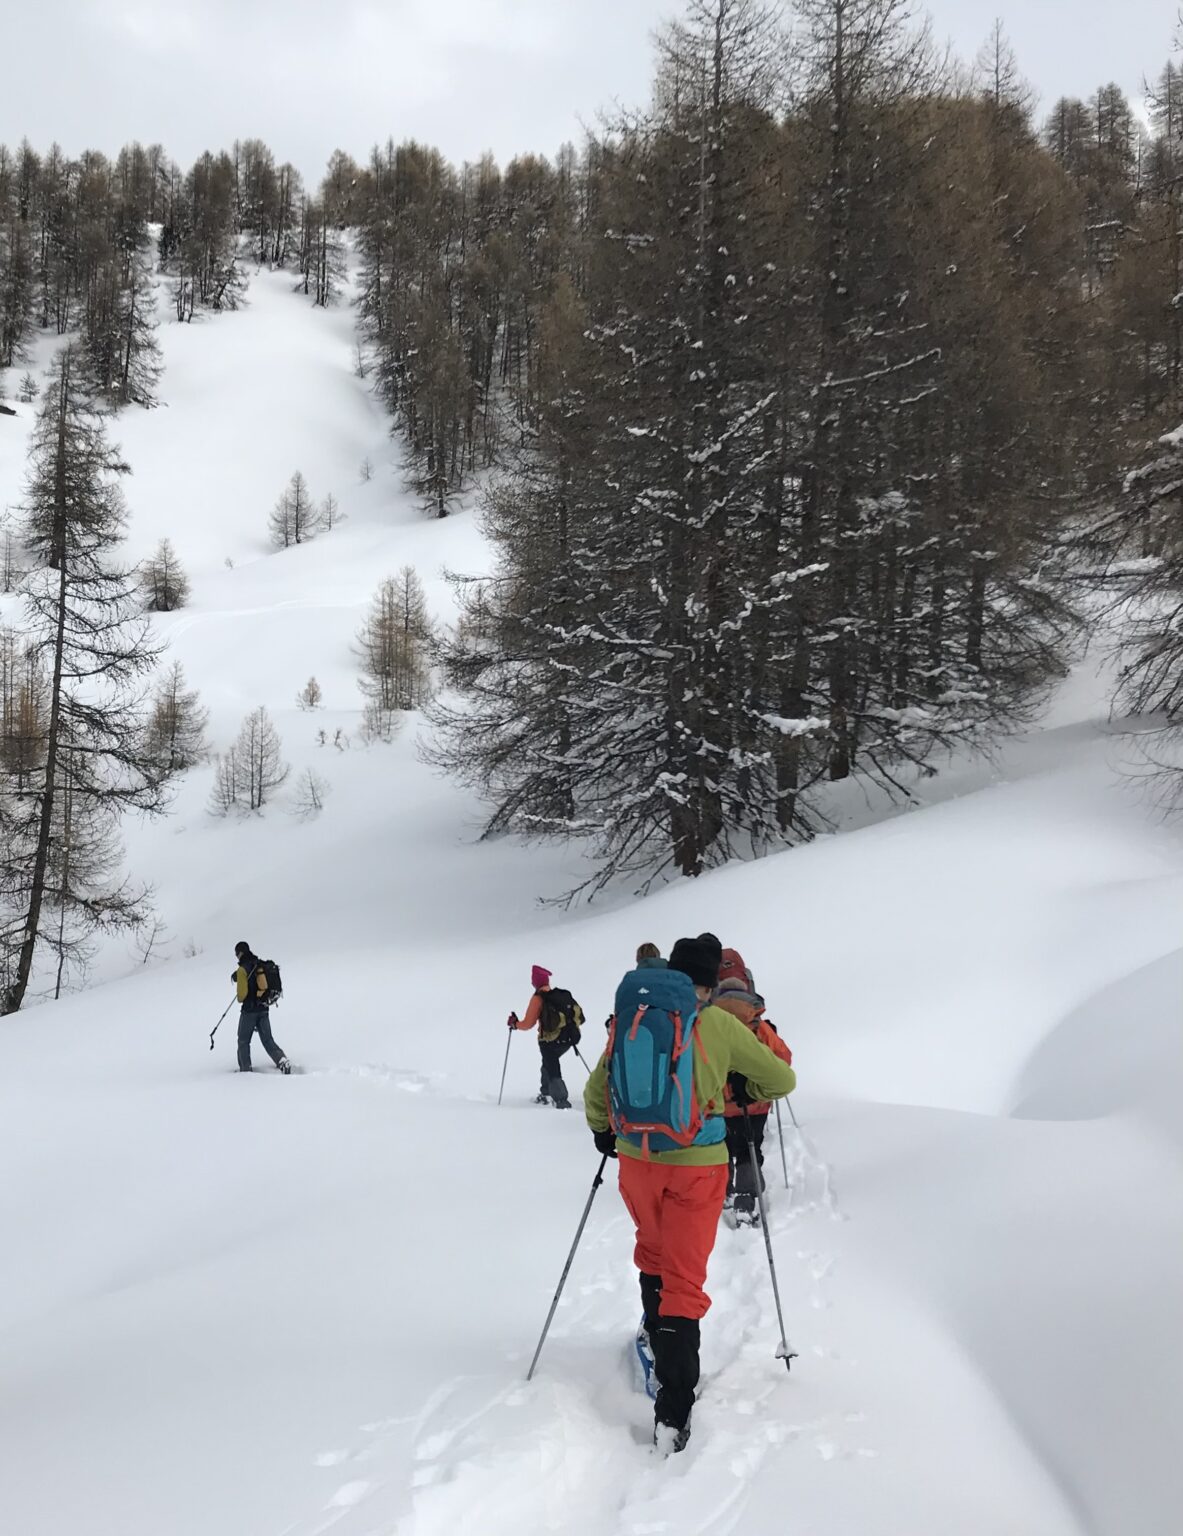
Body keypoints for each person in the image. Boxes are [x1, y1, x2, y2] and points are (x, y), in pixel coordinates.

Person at [584, 936, 796, 1453]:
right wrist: (745, 1090)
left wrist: (604, 1133)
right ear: (709, 980)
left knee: (652, 1255)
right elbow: (781, 1079)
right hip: (696, 1166)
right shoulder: (718, 1024)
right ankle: (674, 1412)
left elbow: (596, 1093)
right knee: (684, 1280)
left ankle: (657, 1351)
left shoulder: (634, 1017)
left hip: (637, 1160)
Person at [713, 977, 793, 1226]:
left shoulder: (710, 1020)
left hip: (718, 1104)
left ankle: (723, 1192)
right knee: (749, 1148)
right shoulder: (758, 1024)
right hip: (754, 1103)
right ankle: (745, 1200)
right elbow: (783, 1058)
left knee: (722, 1148)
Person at [509, 965, 583, 1109]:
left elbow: (528, 1023)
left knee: (552, 1066)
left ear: (535, 982)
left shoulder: (538, 998)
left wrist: (515, 1024)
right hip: (568, 1039)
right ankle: (546, 1093)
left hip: (549, 1041)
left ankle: (560, 1100)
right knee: (547, 1065)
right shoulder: (561, 996)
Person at [232, 941, 290, 1074]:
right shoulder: (258, 964)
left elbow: (241, 996)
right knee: (268, 1039)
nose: (236, 956)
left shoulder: (242, 970)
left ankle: (245, 1070)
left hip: (249, 1011)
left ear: (240, 953)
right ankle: (282, 1060)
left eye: (236, 953)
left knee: (243, 1041)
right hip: (263, 1008)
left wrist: (240, 987)